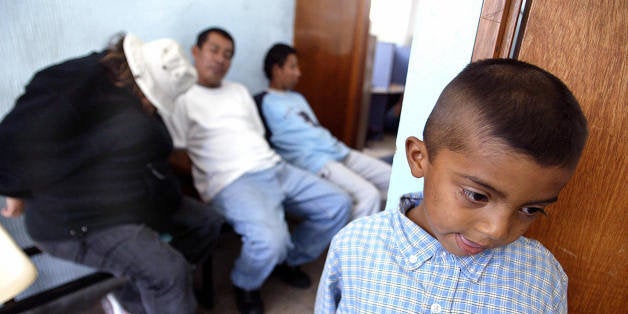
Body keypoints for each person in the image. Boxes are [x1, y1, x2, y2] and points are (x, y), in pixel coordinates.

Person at [315, 58, 589, 313]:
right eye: (477, 195)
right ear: (419, 158)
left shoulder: (542, 280)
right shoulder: (355, 246)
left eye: (530, 210)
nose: (497, 230)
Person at [0, 33, 224, 314]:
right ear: (140, 83)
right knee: (169, 273)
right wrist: (13, 189)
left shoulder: (125, 100)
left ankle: (129, 301)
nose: (152, 107)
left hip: (128, 198)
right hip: (76, 219)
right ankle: (159, 290)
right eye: (151, 99)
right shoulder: (70, 86)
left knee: (207, 223)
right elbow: (11, 148)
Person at [163, 27, 351, 314]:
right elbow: (177, 152)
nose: (220, 60)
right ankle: (245, 283)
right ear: (196, 51)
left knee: (339, 205)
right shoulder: (181, 97)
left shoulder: (238, 91)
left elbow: (257, 133)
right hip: (233, 180)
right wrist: (203, 182)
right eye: (214, 50)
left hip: (273, 166)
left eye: (228, 55)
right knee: (270, 241)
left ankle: (287, 260)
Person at [257, 43, 392, 220]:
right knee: (369, 195)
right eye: (292, 66)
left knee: (393, 177)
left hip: (339, 150)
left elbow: (314, 128)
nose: (298, 73)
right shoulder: (262, 101)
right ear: (276, 69)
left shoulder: (297, 97)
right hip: (316, 161)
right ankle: (350, 246)